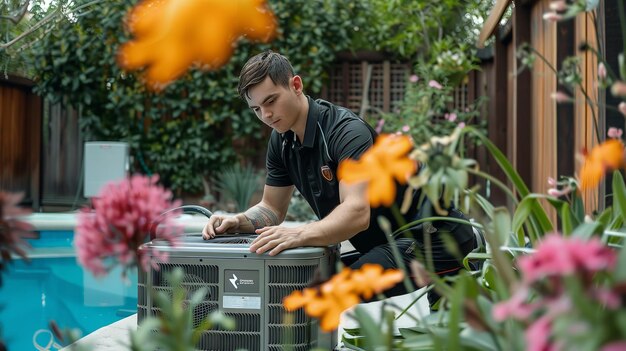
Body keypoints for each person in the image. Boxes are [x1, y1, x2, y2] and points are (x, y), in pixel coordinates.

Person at [202, 50, 477, 308]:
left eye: (271, 101)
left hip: (436, 241)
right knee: (301, 285)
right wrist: (239, 220)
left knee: (329, 295)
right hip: (389, 245)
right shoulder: (281, 141)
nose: (266, 115)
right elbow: (272, 209)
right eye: (256, 109)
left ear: (296, 85)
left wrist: (300, 233)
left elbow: (357, 213)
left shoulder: (346, 132)